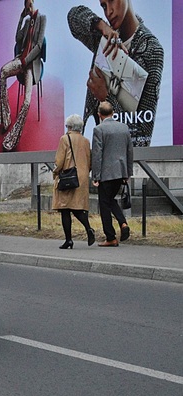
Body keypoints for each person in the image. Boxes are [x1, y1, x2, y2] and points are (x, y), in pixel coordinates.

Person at [67, 1, 163, 147]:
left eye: (112, 0)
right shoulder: (105, 38)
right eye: (103, 6)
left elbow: (142, 138)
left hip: (123, 159)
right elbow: (73, 16)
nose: (108, 11)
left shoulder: (151, 50)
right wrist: (101, 26)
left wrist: (106, 98)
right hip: (97, 150)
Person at [0, 0, 46, 151]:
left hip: (31, 65)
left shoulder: (41, 18)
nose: (29, 6)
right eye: (26, 4)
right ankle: (5, 117)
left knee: (26, 102)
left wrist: (26, 60)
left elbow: (39, 46)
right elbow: (17, 39)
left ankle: (14, 136)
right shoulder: (27, 22)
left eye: (30, 3)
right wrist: (21, 19)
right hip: (20, 61)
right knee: (3, 72)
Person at [91, 101, 133, 247]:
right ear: (113, 113)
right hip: (121, 172)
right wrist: (128, 172)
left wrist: (95, 176)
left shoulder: (98, 129)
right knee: (110, 200)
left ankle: (111, 237)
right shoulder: (124, 128)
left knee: (104, 204)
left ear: (99, 114)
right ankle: (123, 223)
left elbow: (97, 154)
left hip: (106, 174)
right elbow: (129, 151)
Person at [52, 114, 95, 249]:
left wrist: (55, 172)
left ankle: (69, 240)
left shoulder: (64, 139)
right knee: (77, 207)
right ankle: (88, 228)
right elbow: (90, 161)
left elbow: (60, 160)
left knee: (65, 208)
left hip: (68, 176)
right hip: (81, 177)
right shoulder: (86, 141)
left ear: (70, 126)